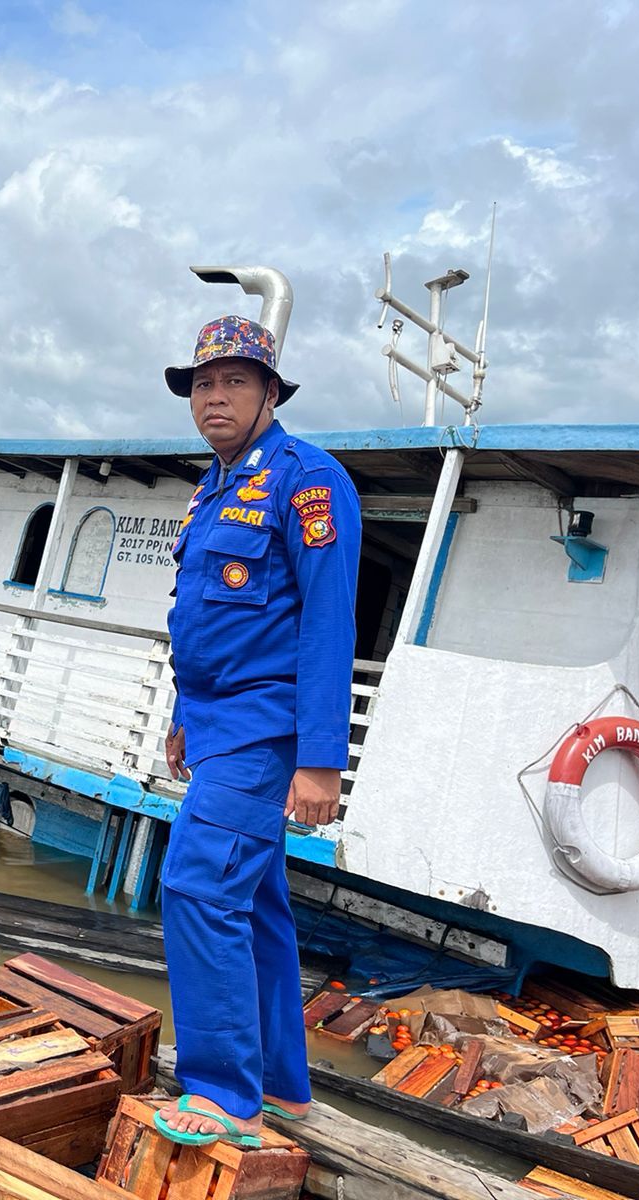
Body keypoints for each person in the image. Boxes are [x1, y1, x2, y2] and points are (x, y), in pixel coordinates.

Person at [154, 315, 361, 1147]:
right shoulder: (215, 485)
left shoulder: (307, 481)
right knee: (259, 905)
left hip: (266, 728)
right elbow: (203, 616)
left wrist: (319, 761)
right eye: (203, 383)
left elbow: (328, 624)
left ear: (270, 393)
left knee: (198, 888)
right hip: (217, 723)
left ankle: (222, 1091)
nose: (215, 396)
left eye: (235, 381)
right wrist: (181, 716)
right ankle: (280, 1083)